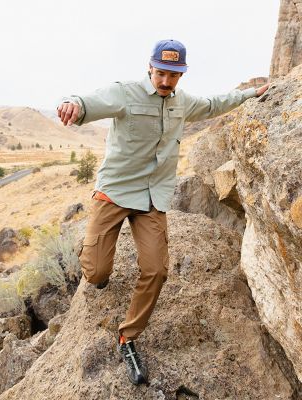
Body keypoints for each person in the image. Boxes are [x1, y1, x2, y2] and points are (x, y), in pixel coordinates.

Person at [57, 39, 269, 385]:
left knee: (156, 270)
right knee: (96, 273)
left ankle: (128, 337)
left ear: (181, 74)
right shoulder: (124, 93)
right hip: (115, 191)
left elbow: (216, 103)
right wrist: (72, 105)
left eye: (174, 74)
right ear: (150, 67)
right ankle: (98, 269)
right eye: (162, 72)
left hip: (153, 197)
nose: (167, 80)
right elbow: (87, 103)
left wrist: (251, 94)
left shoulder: (182, 102)